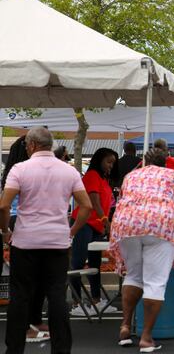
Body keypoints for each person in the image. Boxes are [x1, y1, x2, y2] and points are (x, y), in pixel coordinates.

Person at [0, 127, 92, 354]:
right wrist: (71, 231)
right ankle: (61, 349)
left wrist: (5, 231)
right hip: (57, 242)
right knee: (57, 296)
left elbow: (3, 205)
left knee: (20, 296)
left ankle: (14, 349)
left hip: (25, 241)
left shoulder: (19, 169)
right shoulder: (69, 171)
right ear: (50, 144)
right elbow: (86, 206)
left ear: (30, 145)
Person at [110, 148, 174, 352]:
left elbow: (122, 198)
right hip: (161, 224)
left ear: (144, 161)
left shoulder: (131, 175)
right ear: (165, 162)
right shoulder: (172, 175)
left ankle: (125, 326)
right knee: (155, 282)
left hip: (127, 223)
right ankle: (146, 338)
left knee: (133, 276)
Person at [0, 136, 51, 344]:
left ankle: (33, 321)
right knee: (29, 282)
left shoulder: (15, 171)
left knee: (28, 281)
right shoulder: (22, 170)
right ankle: (28, 325)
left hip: (18, 225)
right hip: (23, 224)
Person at [69, 148, 119, 316]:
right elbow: (94, 200)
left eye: (113, 163)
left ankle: (96, 300)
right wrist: (105, 220)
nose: (111, 166)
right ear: (99, 161)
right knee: (78, 262)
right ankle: (76, 303)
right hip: (85, 224)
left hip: (96, 225)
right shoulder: (91, 176)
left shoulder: (103, 179)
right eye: (108, 162)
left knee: (95, 264)